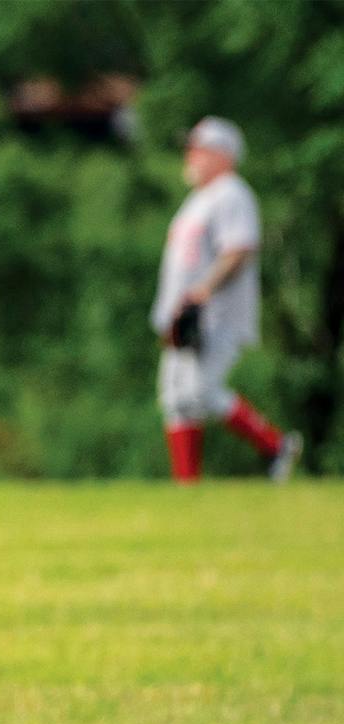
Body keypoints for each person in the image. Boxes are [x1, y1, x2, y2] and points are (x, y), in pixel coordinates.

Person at [151, 116, 302, 484]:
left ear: (224, 155)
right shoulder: (198, 199)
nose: (191, 155)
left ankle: (276, 443)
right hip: (186, 313)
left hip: (215, 315)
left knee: (200, 392)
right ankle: (186, 485)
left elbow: (238, 250)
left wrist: (203, 291)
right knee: (174, 397)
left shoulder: (233, 193)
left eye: (200, 149)